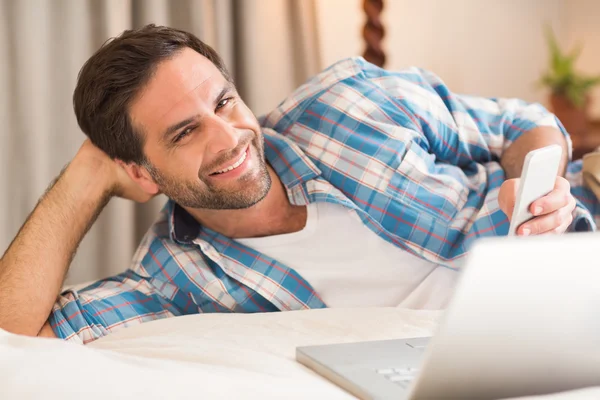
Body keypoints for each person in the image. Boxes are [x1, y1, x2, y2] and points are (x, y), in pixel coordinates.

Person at [0, 25, 597, 344]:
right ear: (137, 170)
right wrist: (85, 176)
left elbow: (518, 122)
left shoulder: (349, 102)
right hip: (531, 333)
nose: (230, 136)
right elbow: (11, 331)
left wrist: (538, 185)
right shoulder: (173, 277)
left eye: (225, 101)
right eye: (184, 132)